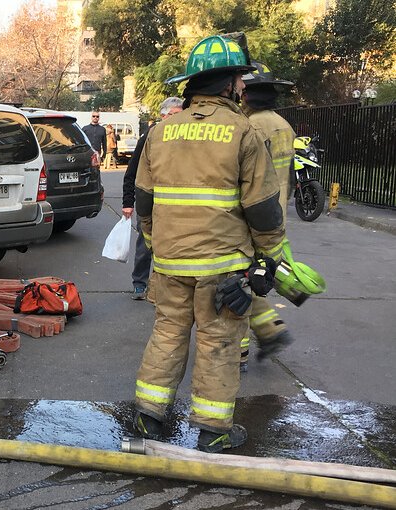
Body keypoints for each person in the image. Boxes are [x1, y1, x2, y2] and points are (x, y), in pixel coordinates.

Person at [131, 34, 285, 453]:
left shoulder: (160, 132)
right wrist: (269, 259)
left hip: (169, 263)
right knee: (218, 342)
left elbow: (143, 201)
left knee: (167, 334)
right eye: (239, 79)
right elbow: (263, 209)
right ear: (230, 84)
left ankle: (149, 418)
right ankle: (213, 430)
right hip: (223, 267)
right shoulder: (243, 133)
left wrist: (156, 244)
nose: (242, 87)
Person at [238, 61, 298, 370]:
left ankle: (242, 351)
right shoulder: (283, 125)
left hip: (253, 216)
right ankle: (269, 330)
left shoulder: (251, 127)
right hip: (276, 215)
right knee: (252, 279)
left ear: (247, 96)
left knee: (238, 283)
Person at [122, 97, 183, 301]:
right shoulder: (150, 136)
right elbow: (132, 172)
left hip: (175, 205)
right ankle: (139, 283)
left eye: (180, 114)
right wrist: (128, 203)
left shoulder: (184, 137)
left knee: (172, 246)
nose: (179, 119)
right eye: (174, 115)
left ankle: (165, 286)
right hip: (150, 201)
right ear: (163, 116)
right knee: (146, 244)